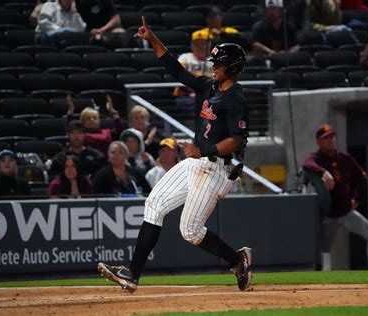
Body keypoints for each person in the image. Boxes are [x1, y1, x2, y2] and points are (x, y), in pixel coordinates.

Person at [97, 16, 252, 293]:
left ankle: (237, 259)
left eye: (218, 64)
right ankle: (132, 274)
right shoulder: (210, 86)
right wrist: (152, 38)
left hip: (217, 169)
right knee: (154, 204)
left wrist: (202, 150)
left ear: (232, 68)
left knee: (190, 231)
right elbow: (177, 72)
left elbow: (237, 142)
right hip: (197, 162)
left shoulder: (236, 99)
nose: (214, 67)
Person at [301, 124, 368, 270]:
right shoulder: (317, 158)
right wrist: (323, 172)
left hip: (346, 211)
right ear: (319, 141)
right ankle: (324, 281)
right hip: (329, 215)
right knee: (324, 249)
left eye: (332, 137)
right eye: (326, 138)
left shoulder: (344, 158)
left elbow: (362, 179)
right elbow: (307, 164)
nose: (331, 140)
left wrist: (357, 199)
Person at [174, 29, 214, 112]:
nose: (200, 47)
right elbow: (179, 74)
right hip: (187, 96)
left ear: (209, 46)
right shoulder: (185, 57)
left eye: (203, 44)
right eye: (196, 44)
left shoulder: (214, 61)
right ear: (192, 46)